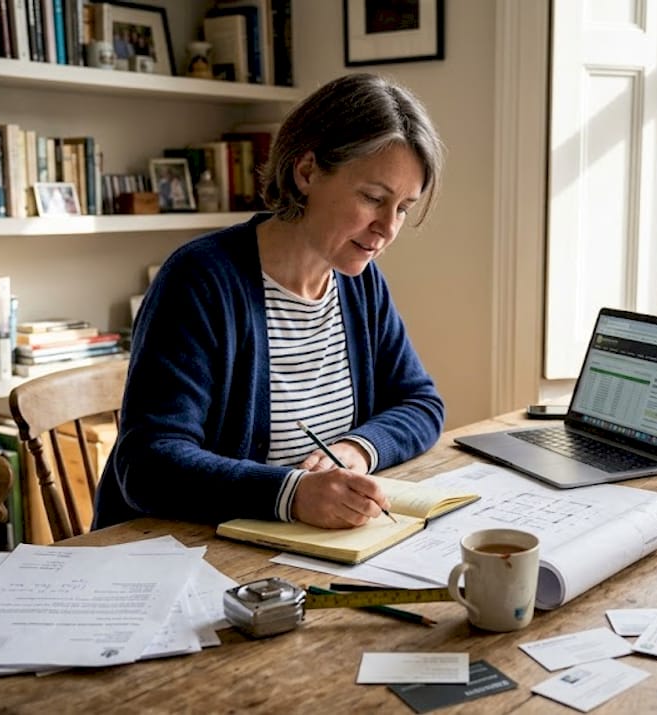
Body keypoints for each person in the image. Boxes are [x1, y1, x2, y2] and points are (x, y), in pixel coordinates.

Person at [93, 73, 446, 530]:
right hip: (171, 555)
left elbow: (420, 402)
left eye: (402, 208)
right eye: (372, 198)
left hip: (291, 552)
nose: (388, 228)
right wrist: (292, 494)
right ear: (306, 172)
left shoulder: (360, 284)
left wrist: (355, 449)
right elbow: (148, 466)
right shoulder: (201, 280)